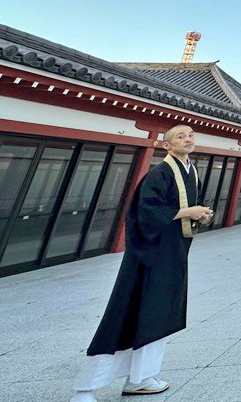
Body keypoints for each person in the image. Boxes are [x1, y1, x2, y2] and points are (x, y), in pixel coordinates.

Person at [70, 124, 213, 401]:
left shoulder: (191, 172)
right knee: (127, 313)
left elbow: (183, 212)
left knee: (157, 316)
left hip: (172, 255)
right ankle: (85, 388)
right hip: (149, 257)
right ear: (166, 145)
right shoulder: (158, 174)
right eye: (180, 136)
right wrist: (187, 211)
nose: (188, 139)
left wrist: (200, 215)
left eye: (191, 135)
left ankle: (141, 377)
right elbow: (145, 212)